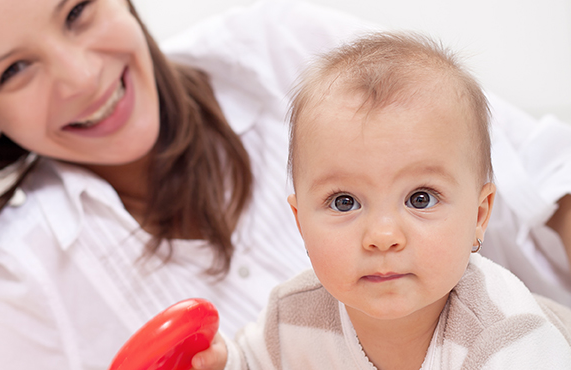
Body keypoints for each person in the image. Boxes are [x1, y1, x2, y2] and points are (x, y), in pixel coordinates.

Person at [0, 0, 571, 368]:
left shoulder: (279, 52)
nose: (82, 76)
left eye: (79, 9)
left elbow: (539, 178)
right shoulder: (28, 275)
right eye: (14, 71)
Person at [191, 32, 571, 370]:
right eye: (344, 202)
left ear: (479, 214)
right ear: (300, 223)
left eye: (420, 199)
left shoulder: (507, 335)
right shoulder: (291, 317)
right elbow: (251, 361)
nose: (383, 235)